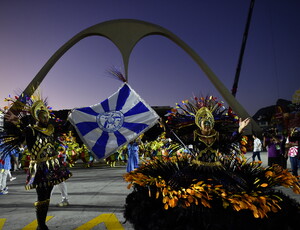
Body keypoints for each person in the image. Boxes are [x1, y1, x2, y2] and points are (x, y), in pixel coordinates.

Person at [124, 96, 300, 230]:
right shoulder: (195, 135)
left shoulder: (216, 136)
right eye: (204, 122)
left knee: (239, 186)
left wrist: (238, 130)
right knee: (174, 184)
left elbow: (229, 141)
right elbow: (176, 136)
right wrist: (165, 127)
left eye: (209, 122)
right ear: (199, 123)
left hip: (217, 168)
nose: (207, 125)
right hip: (196, 167)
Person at [2, 98, 72, 230]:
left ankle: (42, 224)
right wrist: (16, 121)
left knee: (48, 194)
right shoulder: (31, 131)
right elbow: (23, 130)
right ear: (37, 117)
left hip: (53, 165)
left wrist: (71, 116)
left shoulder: (51, 130)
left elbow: (64, 126)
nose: (45, 119)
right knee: (42, 196)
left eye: (46, 116)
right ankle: (41, 225)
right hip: (39, 167)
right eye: (42, 117)